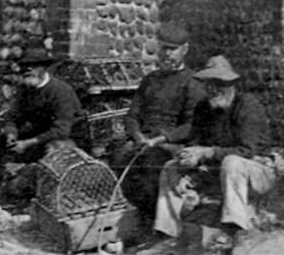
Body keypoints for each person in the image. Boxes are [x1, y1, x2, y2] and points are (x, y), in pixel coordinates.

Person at [154, 55, 275, 253]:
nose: (213, 89)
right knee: (170, 168)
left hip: (257, 171)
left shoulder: (247, 105)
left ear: (232, 84)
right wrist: (188, 165)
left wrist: (208, 152)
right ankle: (169, 232)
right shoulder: (204, 107)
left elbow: (246, 151)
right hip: (220, 171)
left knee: (232, 162)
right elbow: (194, 142)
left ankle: (233, 229)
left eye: (220, 83)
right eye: (209, 84)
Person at [110, 20, 205, 221]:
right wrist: (137, 137)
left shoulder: (193, 82)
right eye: (164, 49)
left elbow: (192, 126)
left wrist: (158, 140)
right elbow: (132, 115)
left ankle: (154, 221)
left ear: (184, 50)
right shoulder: (150, 80)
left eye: (173, 50)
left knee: (152, 164)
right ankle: (129, 216)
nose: (167, 54)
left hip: (172, 144)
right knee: (117, 157)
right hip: (144, 141)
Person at [0, 41, 82, 210]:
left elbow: (62, 130)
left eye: (34, 66)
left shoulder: (60, 91)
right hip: (38, 137)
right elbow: (12, 117)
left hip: (67, 140)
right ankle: (3, 186)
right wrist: (11, 134)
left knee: (55, 151)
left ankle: (50, 197)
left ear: (44, 68)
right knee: (0, 143)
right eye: (25, 67)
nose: (28, 70)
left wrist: (27, 143)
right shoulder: (24, 89)